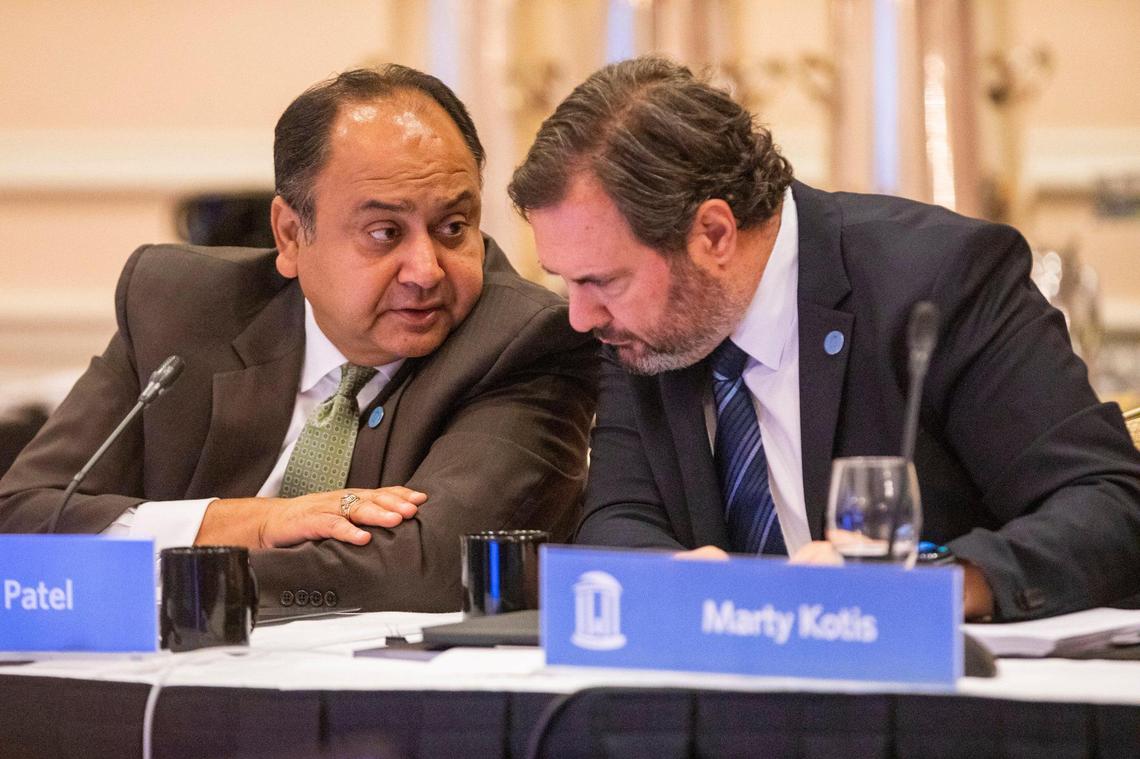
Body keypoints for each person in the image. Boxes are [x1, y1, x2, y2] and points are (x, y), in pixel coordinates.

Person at [507, 56, 1140, 621]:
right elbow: (619, 517)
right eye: (568, 283)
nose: (580, 317)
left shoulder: (937, 282)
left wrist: (936, 580)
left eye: (602, 281)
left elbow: (1109, 506)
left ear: (715, 234)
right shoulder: (639, 333)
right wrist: (671, 574)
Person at [0, 65, 597, 613]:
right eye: (385, 233)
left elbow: (428, 570)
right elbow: (23, 521)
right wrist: (246, 523)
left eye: (453, 227)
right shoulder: (180, 308)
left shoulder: (524, 340)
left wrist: (158, 571)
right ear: (290, 235)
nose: (426, 270)